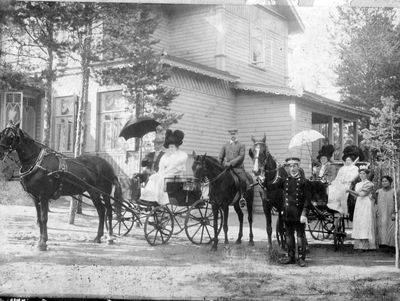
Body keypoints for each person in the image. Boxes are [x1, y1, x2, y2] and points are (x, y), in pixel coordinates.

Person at [265, 157, 311, 267]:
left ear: (299, 167)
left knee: (300, 236)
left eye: (295, 166)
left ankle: (301, 258)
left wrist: (304, 213)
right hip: (287, 213)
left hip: (299, 214)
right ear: (288, 168)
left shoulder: (305, 182)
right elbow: (271, 186)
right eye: (290, 166)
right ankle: (290, 257)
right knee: (289, 236)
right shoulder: (285, 180)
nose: (293, 168)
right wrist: (263, 180)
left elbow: (307, 200)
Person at [140, 129, 188, 206]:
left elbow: (174, 167)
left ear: (177, 147)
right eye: (169, 147)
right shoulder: (166, 156)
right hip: (166, 174)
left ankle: (159, 200)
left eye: (172, 147)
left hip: (176, 176)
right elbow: (161, 167)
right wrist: (158, 173)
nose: (171, 149)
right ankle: (148, 198)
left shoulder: (182, 155)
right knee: (152, 177)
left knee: (161, 179)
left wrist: (162, 173)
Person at [218, 129, 252, 204]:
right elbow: (220, 156)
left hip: (238, 168)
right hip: (226, 168)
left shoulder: (241, 145)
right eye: (231, 134)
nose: (233, 135)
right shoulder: (225, 145)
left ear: (237, 134)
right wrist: (219, 163)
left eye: (234, 134)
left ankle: (242, 197)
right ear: (229, 135)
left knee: (244, 180)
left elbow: (241, 156)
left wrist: (231, 163)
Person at [347, 166, 376, 250]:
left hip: (366, 203)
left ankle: (366, 245)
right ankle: (359, 244)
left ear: (367, 174)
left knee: (365, 221)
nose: (362, 175)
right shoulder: (358, 184)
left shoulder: (369, 184)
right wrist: (350, 192)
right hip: (359, 203)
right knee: (359, 221)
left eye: (364, 173)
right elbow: (356, 195)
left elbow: (362, 194)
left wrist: (349, 190)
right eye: (360, 173)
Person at [327, 145, 361, 216]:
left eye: (349, 160)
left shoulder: (354, 168)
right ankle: (333, 207)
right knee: (331, 189)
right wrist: (336, 182)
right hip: (340, 183)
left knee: (342, 191)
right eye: (346, 160)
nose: (347, 161)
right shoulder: (342, 168)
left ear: (352, 161)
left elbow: (354, 177)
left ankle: (343, 209)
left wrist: (346, 180)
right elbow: (338, 177)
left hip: (349, 184)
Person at [375, 175, 395, 249]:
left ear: (390, 182)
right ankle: (382, 244)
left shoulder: (394, 191)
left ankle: (391, 245)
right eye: (383, 181)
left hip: (391, 212)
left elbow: (397, 203)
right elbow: (376, 202)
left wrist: (394, 212)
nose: (384, 183)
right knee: (382, 227)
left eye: (386, 181)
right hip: (381, 212)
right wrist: (376, 210)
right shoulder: (378, 192)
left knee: (391, 228)